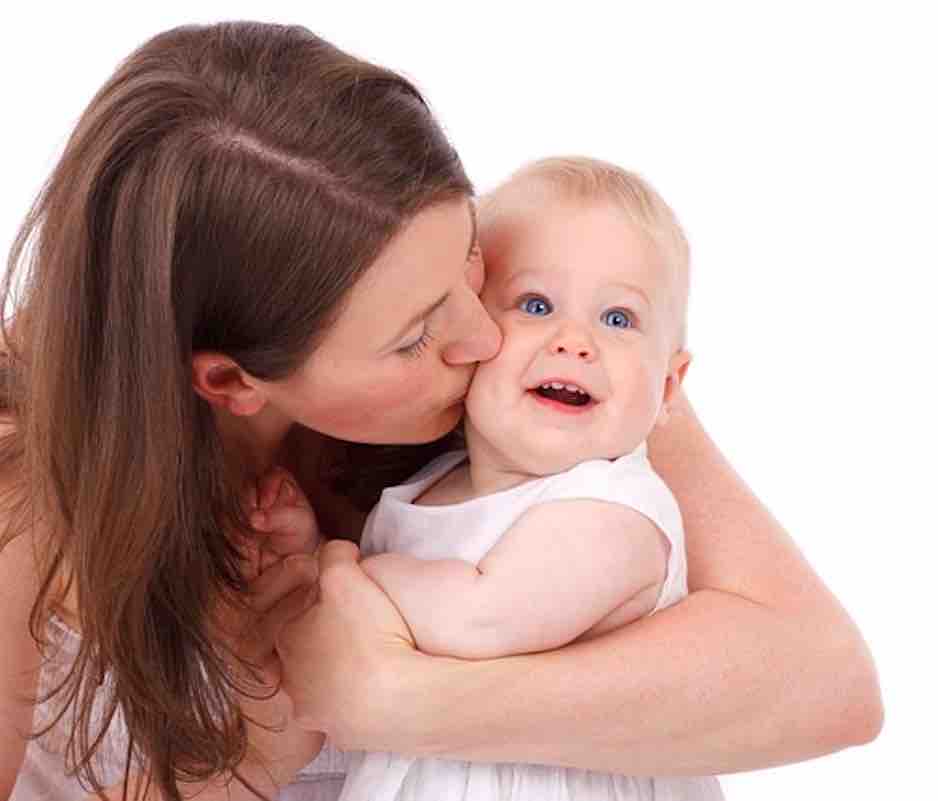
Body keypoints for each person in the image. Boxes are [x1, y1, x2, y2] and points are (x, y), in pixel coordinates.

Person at [0, 20, 881, 801]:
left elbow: (827, 682)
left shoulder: (550, 348)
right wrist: (255, 752)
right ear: (231, 380)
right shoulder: (22, 488)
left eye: (469, 256)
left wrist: (401, 698)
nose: (484, 334)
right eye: (415, 336)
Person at [259, 156, 722, 800]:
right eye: (536, 305)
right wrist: (301, 551)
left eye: (618, 319)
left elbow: (476, 620)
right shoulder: (427, 487)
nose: (574, 341)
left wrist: (334, 571)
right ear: (472, 333)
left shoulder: (613, 510)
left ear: (668, 386)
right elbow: (378, 620)